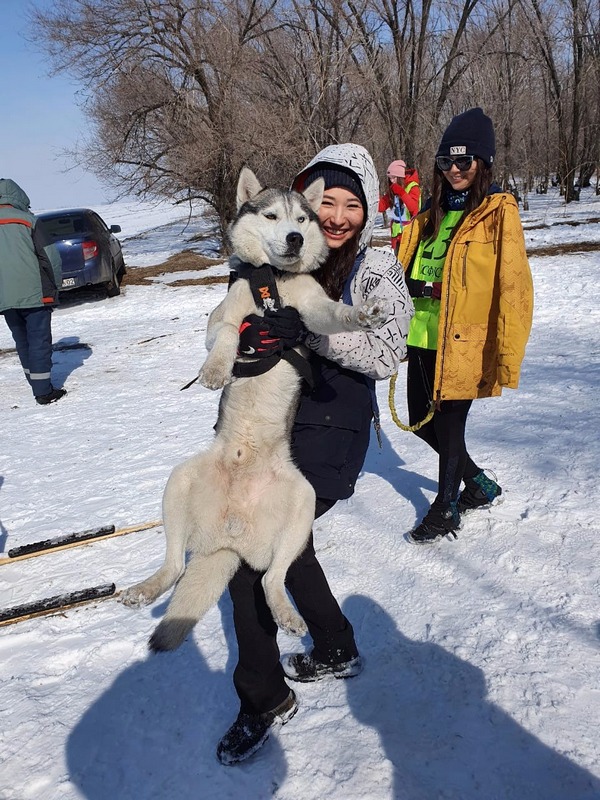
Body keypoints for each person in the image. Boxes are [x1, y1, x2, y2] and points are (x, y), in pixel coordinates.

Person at [216, 144, 414, 765]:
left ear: (368, 211)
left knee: (246, 557)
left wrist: (312, 335)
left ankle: (262, 698)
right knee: (289, 546)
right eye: (325, 201)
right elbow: (234, 332)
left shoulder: (377, 267)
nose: (336, 215)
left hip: (331, 432)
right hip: (269, 429)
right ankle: (335, 645)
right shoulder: (272, 255)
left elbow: (388, 351)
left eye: (353, 204)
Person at [396, 108, 534, 544]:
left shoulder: (497, 212)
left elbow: (514, 285)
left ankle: (446, 508)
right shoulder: (429, 215)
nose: (454, 170)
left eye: (463, 160)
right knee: (421, 421)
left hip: (462, 341)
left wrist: (507, 352)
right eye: (446, 161)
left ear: (482, 162)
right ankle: (476, 483)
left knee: (450, 425)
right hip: (420, 334)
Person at [0, 178, 66, 405]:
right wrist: (56, 286)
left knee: (22, 341)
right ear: (18, 196)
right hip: (35, 293)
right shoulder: (29, 221)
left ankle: (36, 383)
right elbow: (50, 257)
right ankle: (43, 392)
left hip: (5, 296)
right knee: (39, 340)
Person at [378, 159, 421, 253]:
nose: (392, 181)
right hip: (397, 235)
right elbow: (381, 207)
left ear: (401, 176)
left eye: (394, 177)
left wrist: (401, 192)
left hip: (409, 235)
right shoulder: (393, 189)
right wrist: (373, 195)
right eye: (390, 178)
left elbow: (414, 209)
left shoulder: (413, 187)